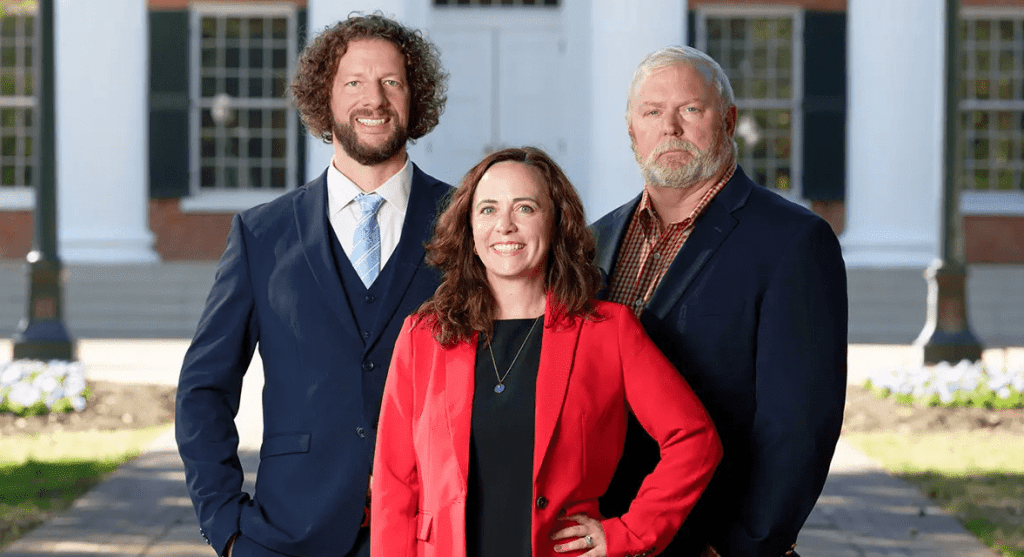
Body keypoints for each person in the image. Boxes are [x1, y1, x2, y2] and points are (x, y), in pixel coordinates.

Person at [175, 13, 452, 557]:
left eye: (391, 82)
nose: (374, 99)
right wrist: (226, 527)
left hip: (433, 532)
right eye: (354, 82)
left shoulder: (465, 222)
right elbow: (203, 389)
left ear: (415, 98)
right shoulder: (261, 234)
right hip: (286, 534)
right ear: (323, 99)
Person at [370, 146, 723, 557]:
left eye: (525, 208)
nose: (504, 225)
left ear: (556, 222)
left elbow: (694, 440)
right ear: (468, 228)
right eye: (487, 210)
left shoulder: (609, 332)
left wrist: (631, 531)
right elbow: (395, 483)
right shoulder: (423, 337)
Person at [592, 46, 848, 557]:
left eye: (691, 109)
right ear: (631, 132)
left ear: (727, 120)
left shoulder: (793, 243)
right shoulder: (593, 242)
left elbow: (799, 425)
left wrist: (743, 545)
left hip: (713, 542)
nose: (671, 127)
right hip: (608, 536)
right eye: (652, 112)